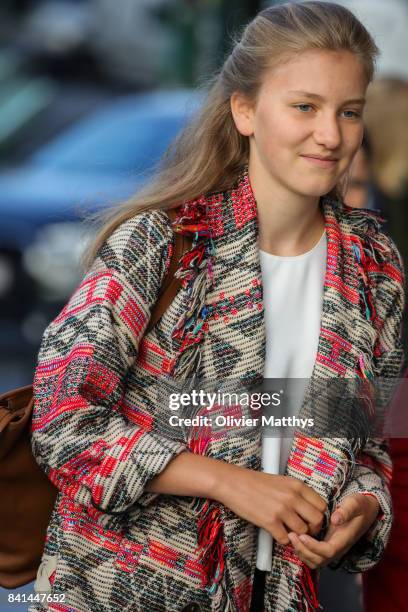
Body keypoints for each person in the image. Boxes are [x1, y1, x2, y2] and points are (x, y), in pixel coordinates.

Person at [29, 2, 405, 611]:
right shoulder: (162, 241)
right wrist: (232, 484)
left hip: (281, 593)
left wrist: (362, 504)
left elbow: (363, 440)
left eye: (349, 111)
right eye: (304, 106)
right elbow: (63, 421)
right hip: (121, 591)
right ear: (246, 109)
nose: (331, 135)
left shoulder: (373, 264)